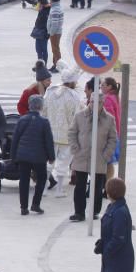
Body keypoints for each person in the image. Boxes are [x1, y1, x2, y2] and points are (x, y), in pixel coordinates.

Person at [68, 84, 117, 222]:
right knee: (80, 186)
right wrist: (75, 149)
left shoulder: (109, 119)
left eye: (100, 102)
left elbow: (113, 138)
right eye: (94, 102)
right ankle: (79, 212)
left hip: (99, 158)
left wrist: (106, 155)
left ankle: (95, 211)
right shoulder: (80, 116)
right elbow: (72, 133)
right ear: (90, 101)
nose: (96, 105)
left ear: (103, 103)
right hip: (81, 156)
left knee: (97, 187)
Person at [95, 178, 134, 272]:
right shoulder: (112, 207)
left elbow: (119, 238)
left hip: (118, 257)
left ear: (111, 192)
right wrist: (101, 244)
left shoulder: (120, 212)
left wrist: (107, 250)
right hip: (110, 256)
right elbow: (108, 232)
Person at [11, 95, 55, 215]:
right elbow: (48, 141)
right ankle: (36, 204)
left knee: (24, 180)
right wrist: (51, 157)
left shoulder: (22, 120)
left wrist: (13, 156)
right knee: (41, 178)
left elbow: (15, 139)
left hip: (23, 156)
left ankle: (23, 207)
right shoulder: (44, 122)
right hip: (39, 157)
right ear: (41, 106)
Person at [43, 64, 83, 197]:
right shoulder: (74, 97)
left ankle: (43, 188)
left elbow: (43, 111)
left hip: (50, 134)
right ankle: (59, 190)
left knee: (48, 161)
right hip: (67, 136)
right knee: (63, 163)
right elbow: (77, 118)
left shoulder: (50, 91)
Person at [102, 77, 122, 180]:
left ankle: (107, 184)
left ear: (109, 86)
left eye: (103, 85)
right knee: (109, 162)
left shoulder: (108, 99)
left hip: (109, 135)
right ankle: (107, 184)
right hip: (116, 133)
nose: (101, 87)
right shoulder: (115, 97)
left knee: (108, 162)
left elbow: (108, 119)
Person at [47, 0, 64, 71]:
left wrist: (51, 32)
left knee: (55, 50)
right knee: (55, 49)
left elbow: (55, 24)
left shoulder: (55, 10)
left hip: (55, 33)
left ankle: (58, 66)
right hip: (57, 32)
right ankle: (55, 64)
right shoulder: (57, 7)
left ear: (52, 0)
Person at [31, 0, 50, 64]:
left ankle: (44, 65)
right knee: (38, 49)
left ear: (41, 3)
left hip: (44, 32)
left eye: (39, 3)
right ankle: (40, 64)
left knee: (43, 49)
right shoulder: (42, 10)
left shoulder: (48, 10)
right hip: (39, 32)